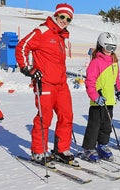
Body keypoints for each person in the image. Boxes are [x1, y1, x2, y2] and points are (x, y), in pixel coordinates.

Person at [15, 3, 75, 165]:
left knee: (67, 116)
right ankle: (38, 151)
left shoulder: (61, 36)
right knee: (44, 117)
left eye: (68, 19)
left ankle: (61, 149)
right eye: (62, 17)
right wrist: (27, 68)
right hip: (45, 83)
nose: (64, 21)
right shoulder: (42, 31)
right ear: (56, 15)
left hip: (61, 84)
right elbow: (22, 46)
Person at [81, 32, 120, 162]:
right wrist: (95, 97)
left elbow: (116, 79)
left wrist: (118, 91)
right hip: (98, 101)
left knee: (106, 126)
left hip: (109, 100)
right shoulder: (96, 62)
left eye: (113, 48)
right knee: (94, 126)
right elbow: (90, 82)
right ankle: (88, 148)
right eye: (108, 47)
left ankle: (102, 145)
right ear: (101, 46)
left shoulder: (115, 62)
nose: (111, 51)